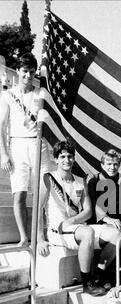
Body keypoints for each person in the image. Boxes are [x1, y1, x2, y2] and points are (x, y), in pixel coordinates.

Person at [37, 140, 120, 296]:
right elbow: (38, 209)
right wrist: (40, 239)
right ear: (56, 159)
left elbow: (88, 211)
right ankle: (86, 283)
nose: (66, 160)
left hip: (75, 227)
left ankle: (98, 276)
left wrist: (72, 220)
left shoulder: (80, 181)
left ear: (74, 158)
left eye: (69, 156)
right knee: (87, 232)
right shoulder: (48, 178)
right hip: (58, 230)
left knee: (116, 234)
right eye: (62, 157)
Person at [0, 52, 52, 246]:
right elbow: (1, 125)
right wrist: (4, 153)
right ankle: (23, 236)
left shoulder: (41, 93)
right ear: (18, 71)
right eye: (24, 71)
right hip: (18, 144)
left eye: (31, 72)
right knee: (19, 194)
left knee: (41, 193)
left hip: (38, 143)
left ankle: (39, 234)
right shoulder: (7, 94)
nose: (28, 76)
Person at [87, 149, 121, 228]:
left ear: (119, 165)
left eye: (115, 164)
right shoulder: (94, 181)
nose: (112, 167)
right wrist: (106, 218)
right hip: (102, 223)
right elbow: (92, 204)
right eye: (109, 164)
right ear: (102, 165)